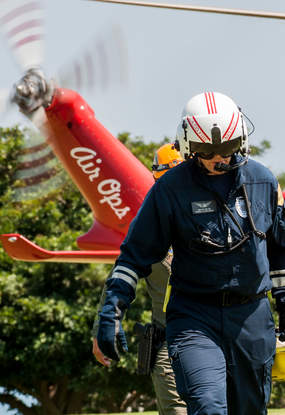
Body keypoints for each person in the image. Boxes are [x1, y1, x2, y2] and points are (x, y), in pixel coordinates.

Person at [96, 92, 285, 415]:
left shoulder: (264, 182)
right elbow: (133, 256)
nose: (219, 158)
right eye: (208, 151)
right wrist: (110, 312)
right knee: (208, 407)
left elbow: (282, 251)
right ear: (189, 148)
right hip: (195, 318)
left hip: (251, 318)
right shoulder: (169, 190)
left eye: (227, 148)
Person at [91, 143, 186, 415]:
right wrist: (102, 329)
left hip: (213, 337)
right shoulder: (149, 226)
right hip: (170, 343)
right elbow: (120, 277)